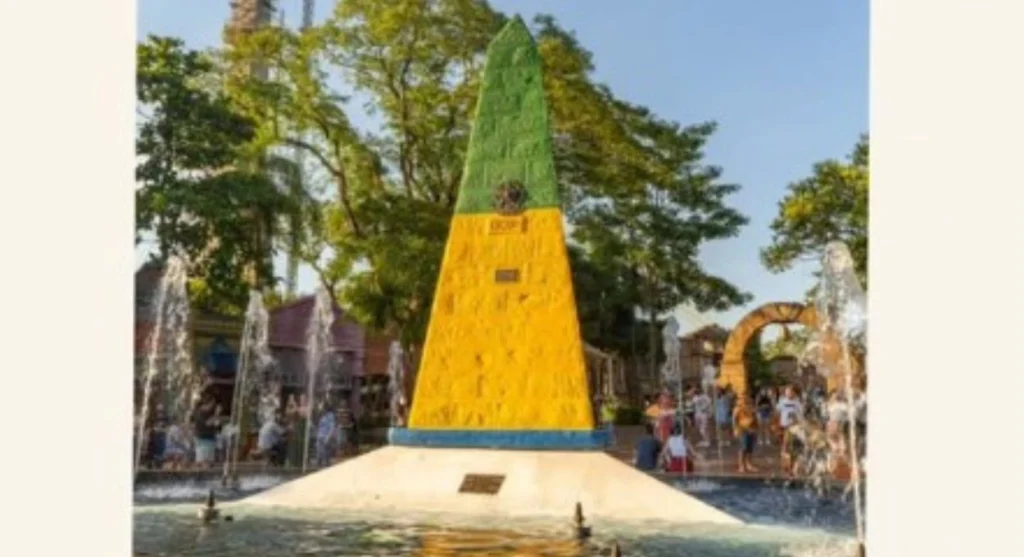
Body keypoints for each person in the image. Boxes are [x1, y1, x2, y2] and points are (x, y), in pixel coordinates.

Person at [776, 385, 804, 474]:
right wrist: (777, 425)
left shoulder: (797, 403)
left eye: (790, 392)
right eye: (787, 392)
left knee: (793, 447)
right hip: (784, 426)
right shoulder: (782, 401)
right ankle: (785, 465)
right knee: (784, 446)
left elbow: (800, 415)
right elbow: (777, 412)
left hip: (794, 427)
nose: (788, 393)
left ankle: (791, 466)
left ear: (794, 393)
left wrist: (799, 424)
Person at [733, 396, 759, 473]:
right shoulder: (737, 408)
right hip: (742, 430)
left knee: (750, 449)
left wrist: (756, 429)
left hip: (751, 430)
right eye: (742, 399)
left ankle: (749, 464)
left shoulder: (751, 408)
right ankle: (741, 465)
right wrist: (735, 430)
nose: (744, 400)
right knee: (743, 448)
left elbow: (755, 419)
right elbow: (734, 420)